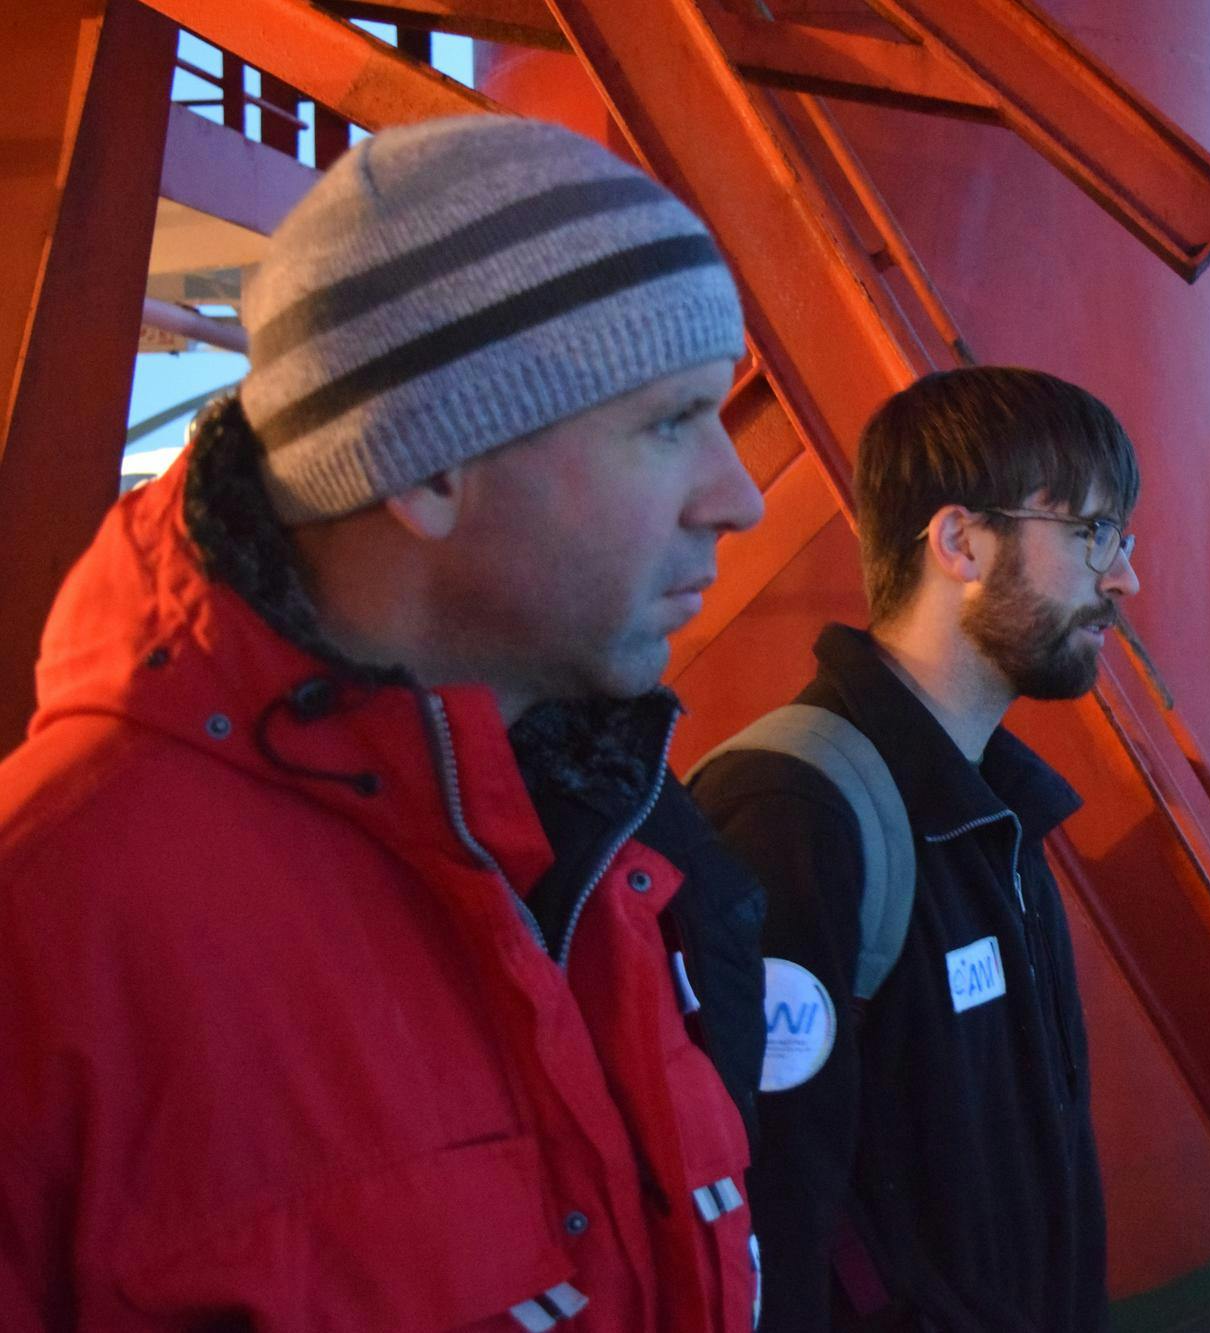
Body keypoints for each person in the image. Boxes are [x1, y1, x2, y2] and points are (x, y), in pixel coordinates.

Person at [0, 116, 772, 1330]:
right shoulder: (50, 928)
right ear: (424, 467)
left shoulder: (602, 837)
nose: (742, 497)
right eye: (669, 421)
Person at [688, 367, 1140, 1332]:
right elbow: (774, 1222)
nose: (1124, 577)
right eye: (1094, 532)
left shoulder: (997, 813)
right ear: (960, 542)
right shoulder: (792, 808)